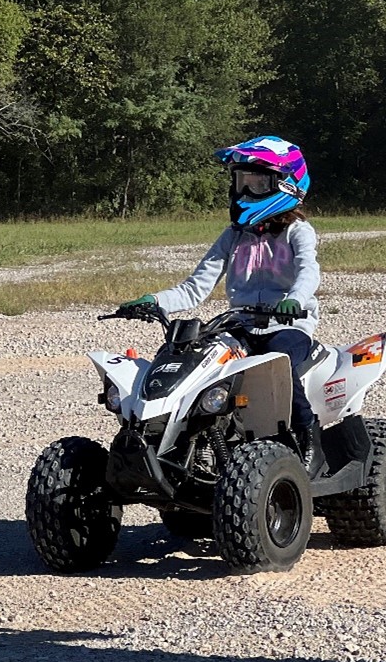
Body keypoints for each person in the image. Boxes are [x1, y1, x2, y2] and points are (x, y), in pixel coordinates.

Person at [121, 135, 325, 475]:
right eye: (241, 182)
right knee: (194, 361)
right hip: (240, 325)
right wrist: (154, 301)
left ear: (287, 185)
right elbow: (195, 287)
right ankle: (187, 446)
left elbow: (309, 272)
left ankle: (309, 439)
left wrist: (294, 300)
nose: (245, 193)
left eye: (257, 183)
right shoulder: (233, 235)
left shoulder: (298, 232)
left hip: (287, 325)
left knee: (281, 363)